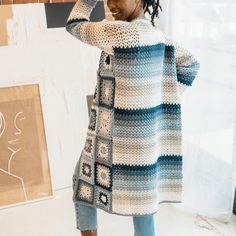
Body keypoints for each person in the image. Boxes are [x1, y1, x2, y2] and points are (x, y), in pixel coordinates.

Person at [65, 0, 200, 235]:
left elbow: (75, 24)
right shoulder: (158, 36)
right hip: (145, 145)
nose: (109, 3)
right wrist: (161, 97)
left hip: (112, 141)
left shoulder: (119, 33)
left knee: (83, 185)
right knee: (142, 203)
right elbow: (190, 64)